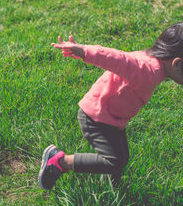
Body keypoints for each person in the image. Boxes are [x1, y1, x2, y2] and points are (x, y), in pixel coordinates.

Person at [38, 22, 183, 191]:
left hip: (111, 116)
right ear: (177, 64)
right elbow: (116, 59)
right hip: (97, 116)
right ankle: (58, 161)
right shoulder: (148, 70)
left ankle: (109, 189)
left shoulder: (151, 62)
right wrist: (85, 51)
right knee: (114, 160)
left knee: (121, 157)